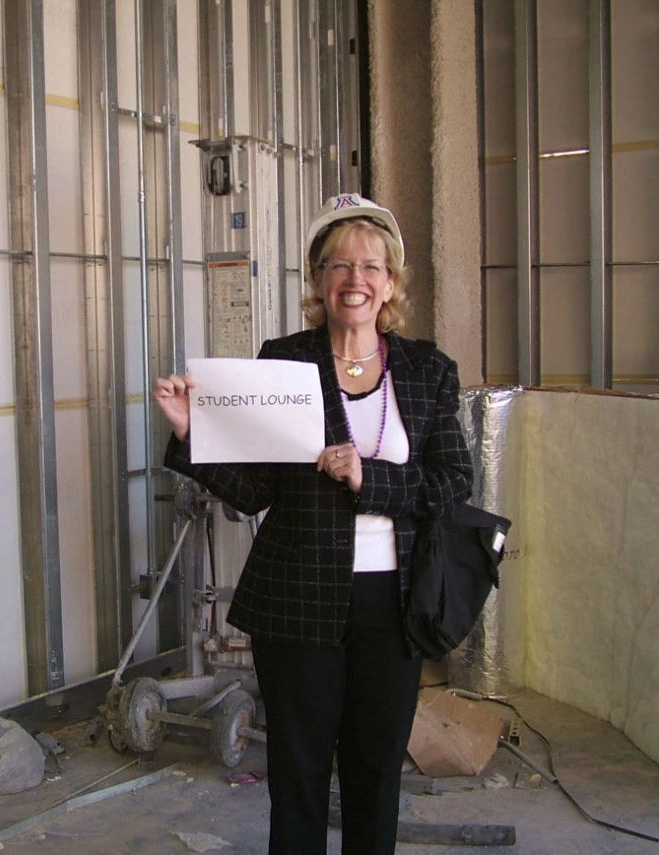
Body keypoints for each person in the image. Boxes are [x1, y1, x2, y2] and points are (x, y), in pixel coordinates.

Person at [153, 193, 473, 855]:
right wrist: (192, 434)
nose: (354, 278)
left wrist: (370, 476)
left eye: (370, 266)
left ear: (390, 283)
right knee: (297, 770)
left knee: (376, 766)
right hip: (298, 598)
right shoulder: (285, 360)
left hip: (395, 601)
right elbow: (258, 488)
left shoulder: (428, 372)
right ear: (317, 279)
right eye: (338, 265)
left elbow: (454, 483)